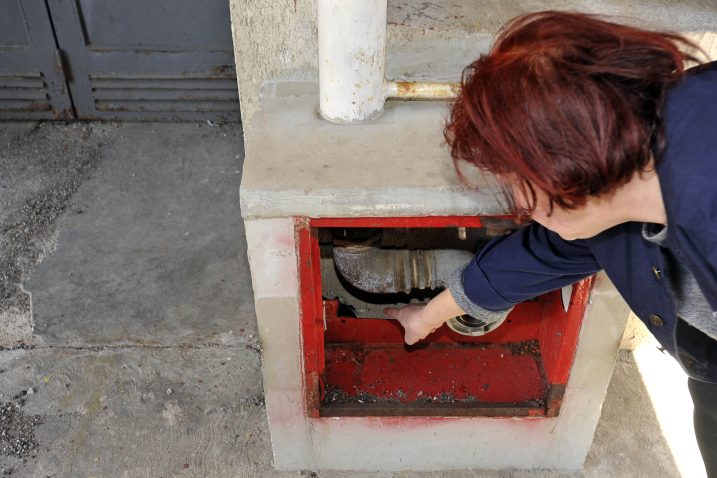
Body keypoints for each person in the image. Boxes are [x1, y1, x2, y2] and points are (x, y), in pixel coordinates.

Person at [383, 11, 717, 476]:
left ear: (563, 171)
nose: (517, 203)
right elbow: (544, 254)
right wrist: (426, 316)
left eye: (515, 181)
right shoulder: (620, 180)